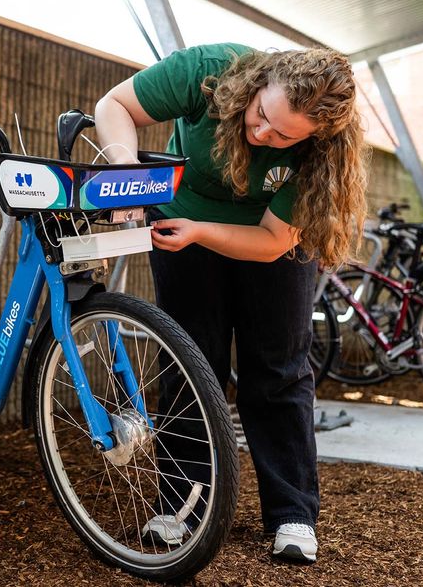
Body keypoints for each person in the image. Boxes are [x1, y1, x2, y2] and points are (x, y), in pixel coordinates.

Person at [94, 43, 368, 563]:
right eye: (262, 114)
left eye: (284, 135)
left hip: (271, 240)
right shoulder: (206, 72)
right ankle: (183, 505)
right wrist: (124, 174)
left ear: (313, 137)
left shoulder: (321, 154)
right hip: (182, 223)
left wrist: (205, 231)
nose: (263, 134)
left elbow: (270, 241)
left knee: (278, 368)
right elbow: (115, 106)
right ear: (258, 84)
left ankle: (292, 513)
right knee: (190, 361)